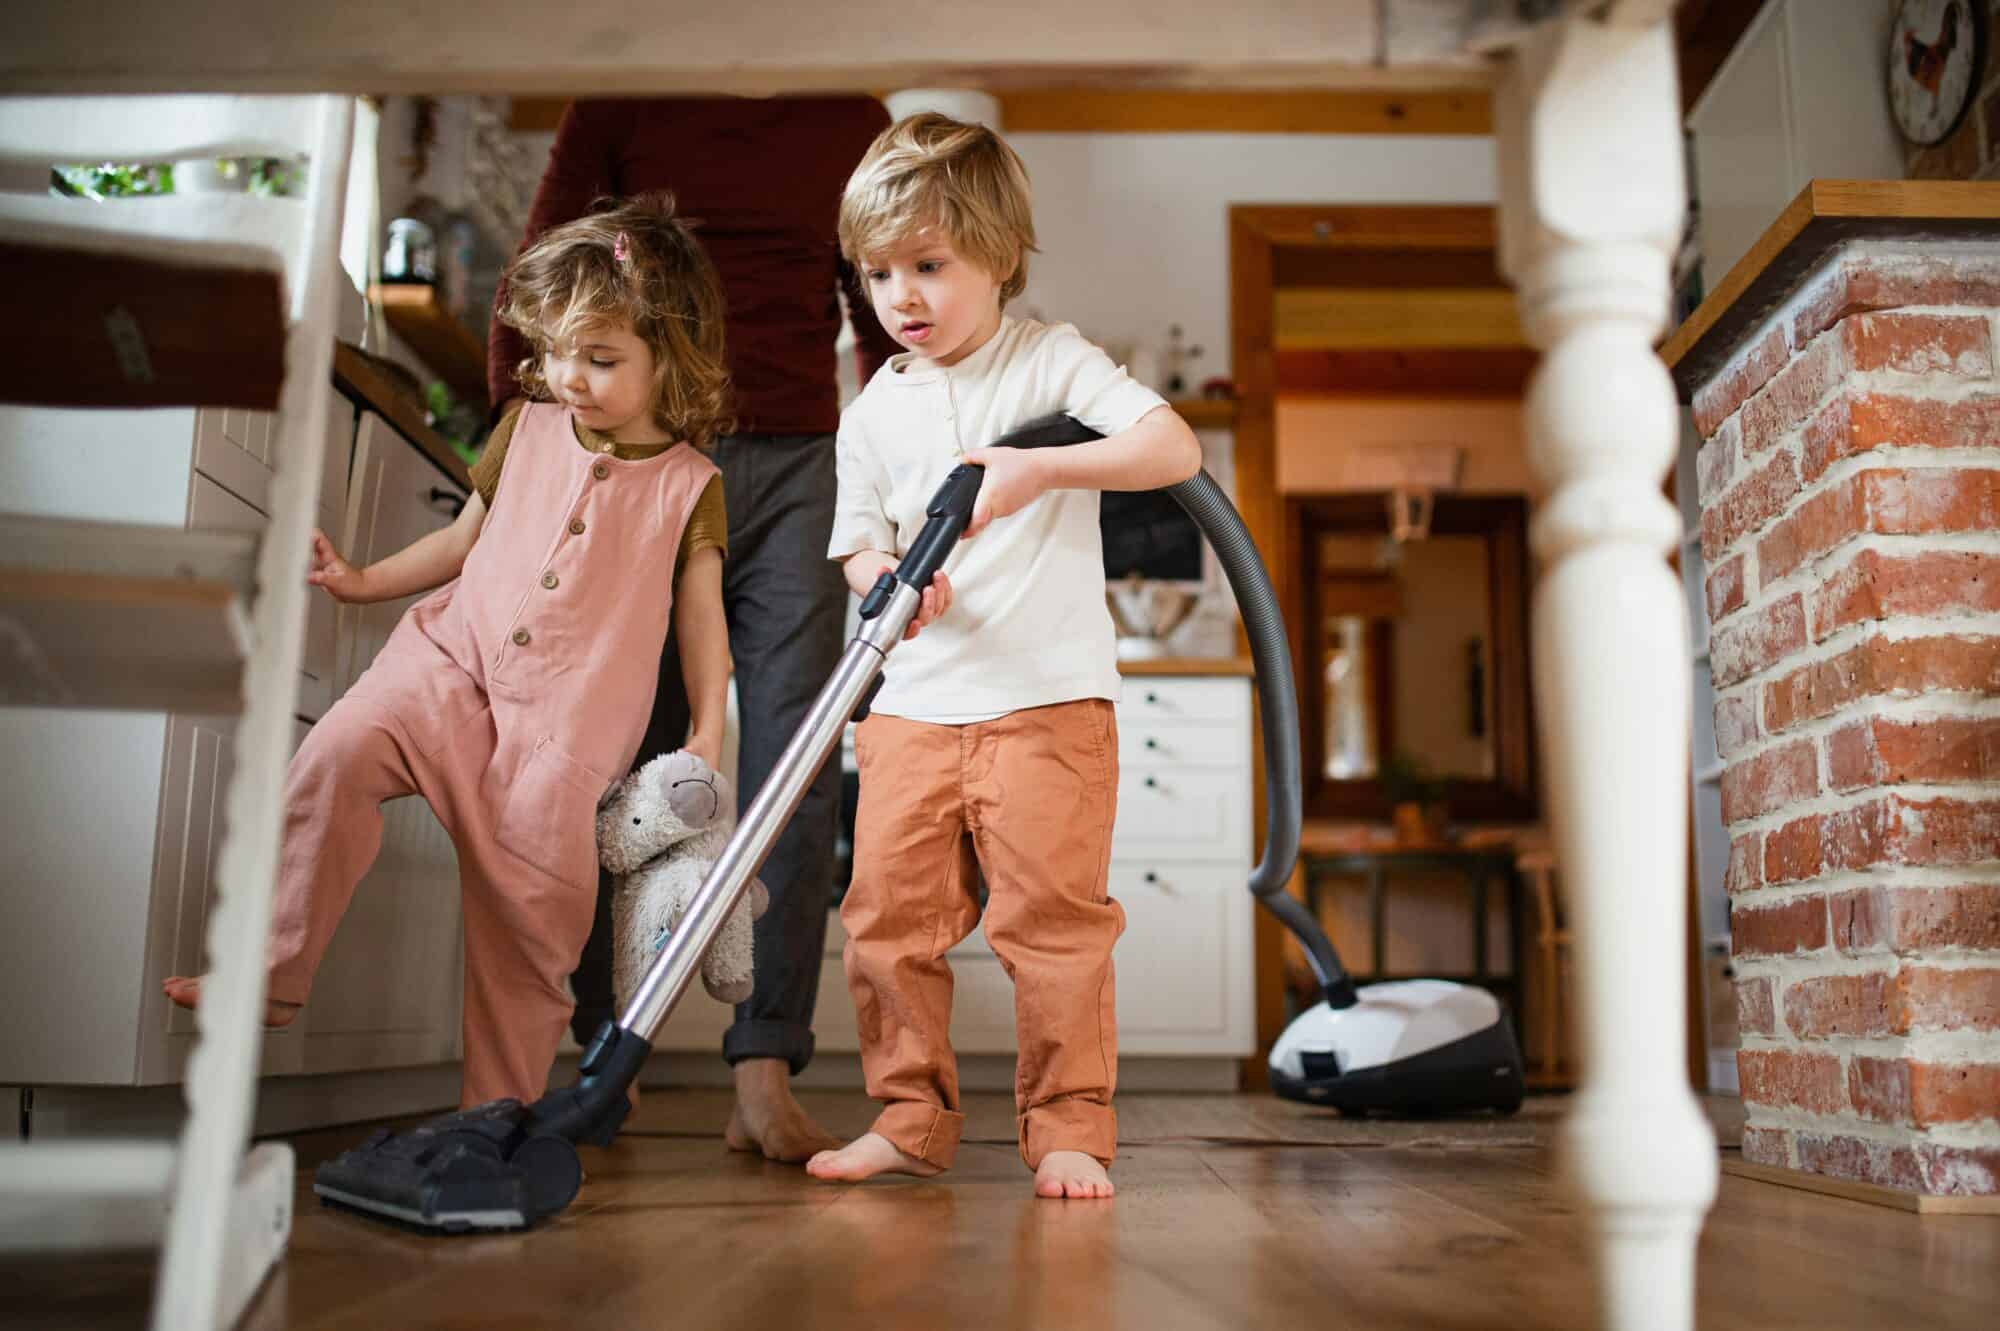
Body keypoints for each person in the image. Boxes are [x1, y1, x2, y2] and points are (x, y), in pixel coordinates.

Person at [165, 195, 733, 1110]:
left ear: (672, 357)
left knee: (532, 926)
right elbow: (465, 542)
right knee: (336, 754)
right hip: (445, 665)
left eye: (601, 359)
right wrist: (362, 577)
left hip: (559, 738)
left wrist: (706, 729)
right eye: (554, 353)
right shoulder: (527, 427)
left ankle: (493, 1119)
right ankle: (266, 969)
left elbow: (702, 619)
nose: (569, 377)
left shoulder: (690, 486)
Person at [488, 96, 902, 1161]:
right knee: (611, 747)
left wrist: (890, 468)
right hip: (643, 452)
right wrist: (522, 455)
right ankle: (600, 1053)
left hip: (806, 464)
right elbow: (539, 261)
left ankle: (762, 1068)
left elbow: (871, 306)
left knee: (794, 760)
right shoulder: (625, 91)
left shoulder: (849, 113)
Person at [806, 113, 1202, 1199]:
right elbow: (857, 545)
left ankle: (1068, 1126)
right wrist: (888, 584)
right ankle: (907, 1113)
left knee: (1052, 926)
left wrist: (1039, 472)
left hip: (1048, 705)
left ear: (997, 253)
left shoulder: (1046, 360)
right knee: (886, 919)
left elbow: (1172, 446)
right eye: (880, 270)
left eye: (928, 264)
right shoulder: (871, 409)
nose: (901, 296)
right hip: (911, 708)